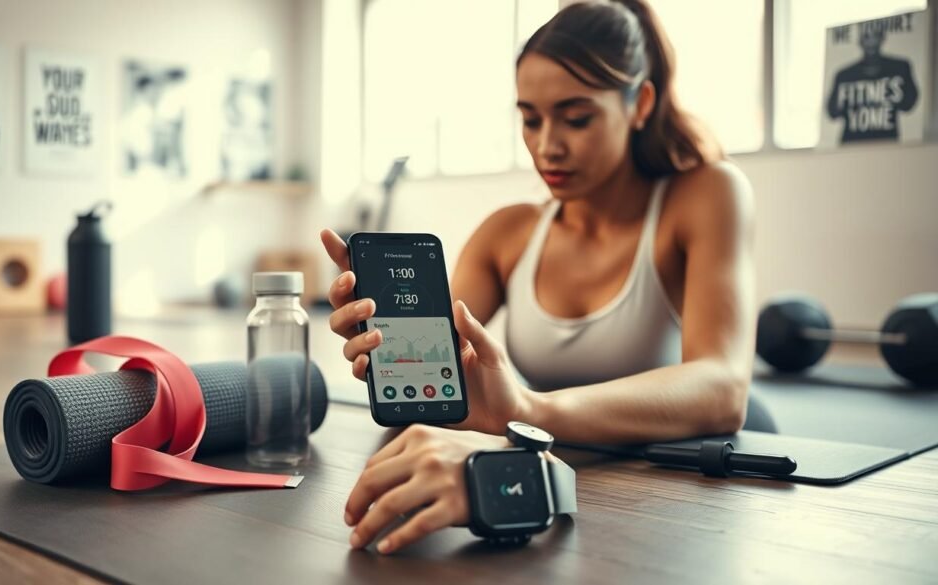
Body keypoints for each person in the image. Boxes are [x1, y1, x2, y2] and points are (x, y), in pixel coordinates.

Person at [320, 0, 755, 554]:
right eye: (531, 118)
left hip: (684, 503)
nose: (548, 143)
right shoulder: (508, 233)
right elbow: (441, 369)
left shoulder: (706, 194)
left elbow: (722, 388)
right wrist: (387, 345)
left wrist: (526, 410)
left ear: (640, 103)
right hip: (563, 479)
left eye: (576, 118)